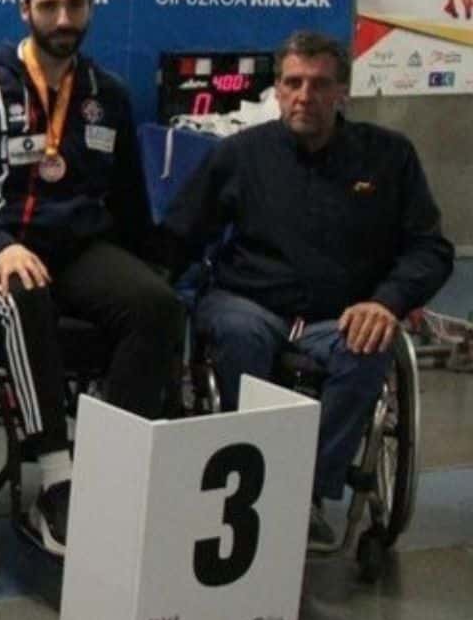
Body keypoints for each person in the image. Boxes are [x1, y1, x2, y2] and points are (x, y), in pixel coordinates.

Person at [0, 0, 185, 556]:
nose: (64, 17)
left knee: (158, 307)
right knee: (23, 291)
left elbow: (129, 201)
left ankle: (110, 466)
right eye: (50, 6)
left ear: (90, 7)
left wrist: (159, 263)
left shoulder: (106, 94)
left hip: (73, 250)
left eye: (75, 5)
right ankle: (58, 480)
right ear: (25, 10)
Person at [164, 31, 453, 549]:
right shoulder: (239, 155)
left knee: (371, 344)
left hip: (342, 315)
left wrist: (386, 302)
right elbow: (180, 236)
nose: (305, 96)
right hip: (248, 303)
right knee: (238, 332)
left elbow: (429, 249)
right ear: (276, 90)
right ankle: (249, 481)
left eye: (319, 85)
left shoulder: (389, 157)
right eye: (293, 83)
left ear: (342, 91)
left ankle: (305, 496)